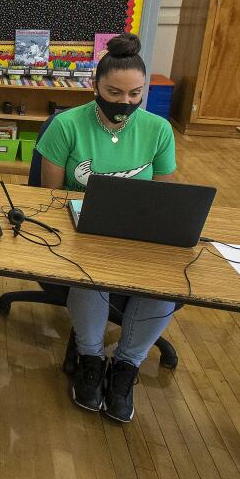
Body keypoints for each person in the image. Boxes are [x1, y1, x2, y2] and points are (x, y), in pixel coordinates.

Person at [34, 32, 176, 423]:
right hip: (82, 233)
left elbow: (167, 200)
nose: (125, 103)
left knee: (168, 279)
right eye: (114, 93)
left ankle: (126, 368)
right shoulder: (66, 126)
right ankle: (91, 358)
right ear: (95, 85)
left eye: (135, 95)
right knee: (90, 273)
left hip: (137, 235)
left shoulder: (158, 130)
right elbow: (51, 198)